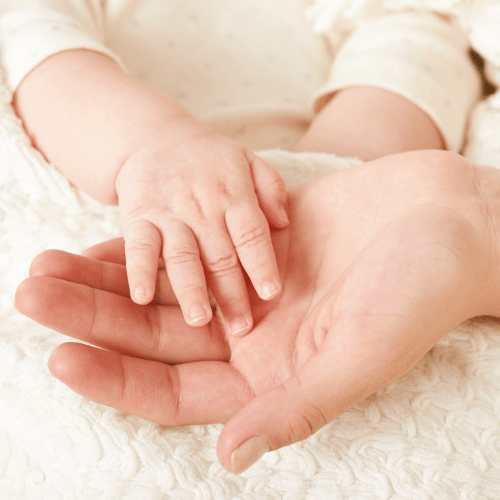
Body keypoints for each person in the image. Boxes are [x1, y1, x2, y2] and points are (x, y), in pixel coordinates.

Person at [1, 0, 483, 337]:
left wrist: (328, 175)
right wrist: (154, 146)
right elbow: (35, 41)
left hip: (316, 217)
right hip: (118, 187)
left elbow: (414, 51)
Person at [15, 149, 500, 473]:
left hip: (325, 194)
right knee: (380, 101)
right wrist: (151, 139)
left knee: (382, 102)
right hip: (299, 186)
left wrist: (478, 217)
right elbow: (36, 42)